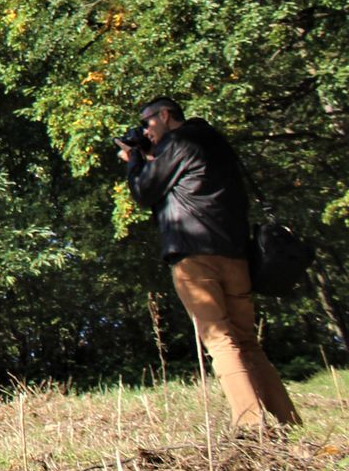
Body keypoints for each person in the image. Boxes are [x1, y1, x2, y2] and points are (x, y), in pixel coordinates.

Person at [121, 96, 299, 429]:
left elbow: (145, 191)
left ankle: (250, 425)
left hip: (194, 256)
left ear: (165, 115)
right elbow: (185, 181)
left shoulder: (179, 142)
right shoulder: (214, 141)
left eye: (147, 122)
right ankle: (287, 422)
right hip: (235, 255)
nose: (146, 129)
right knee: (247, 342)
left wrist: (133, 159)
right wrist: (149, 154)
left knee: (219, 340)